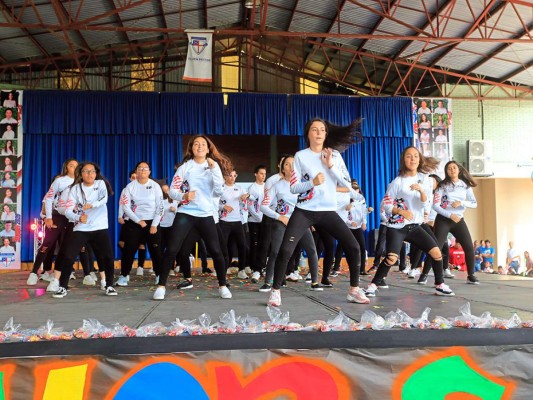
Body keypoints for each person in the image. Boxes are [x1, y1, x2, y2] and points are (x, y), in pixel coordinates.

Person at [268, 118, 370, 307]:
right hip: (305, 210)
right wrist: (312, 183)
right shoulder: (300, 156)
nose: (318, 132)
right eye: (314, 129)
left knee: (354, 247)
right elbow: (294, 188)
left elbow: (347, 185)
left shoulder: (335, 156)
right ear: (308, 134)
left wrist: (330, 165)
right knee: (285, 250)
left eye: (322, 130)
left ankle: (354, 289)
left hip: (327, 210)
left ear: (326, 134)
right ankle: (275, 291)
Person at [366, 146, 454, 297]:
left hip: (415, 226)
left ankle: (440, 284)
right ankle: (373, 285)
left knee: (436, 252)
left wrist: (421, 191)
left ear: (419, 160)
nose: (412, 159)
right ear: (403, 160)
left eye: (415, 156)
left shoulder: (425, 180)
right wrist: (401, 211)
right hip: (397, 226)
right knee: (392, 257)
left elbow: (426, 204)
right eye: (408, 156)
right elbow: (385, 204)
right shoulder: (397, 182)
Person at [155, 135, 233, 301]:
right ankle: (161, 286)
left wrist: (214, 170)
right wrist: (184, 196)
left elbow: (219, 191)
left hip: (206, 214)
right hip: (186, 213)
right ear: (191, 148)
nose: (199, 146)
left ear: (208, 148)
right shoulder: (185, 167)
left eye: (203, 144)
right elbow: (173, 191)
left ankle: (223, 285)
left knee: (216, 251)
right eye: (196, 144)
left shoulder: (214, 165)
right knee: (172, 249)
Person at [52, 162, 117, 298]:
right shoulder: (75, 189)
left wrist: (92, 205)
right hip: (81, 228)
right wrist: (77, 217)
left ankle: (109, 285)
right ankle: (62, 286)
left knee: (107, 256)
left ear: (96, 173)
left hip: (99, 227)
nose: (90, 174)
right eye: (86, 171)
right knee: (69, 256)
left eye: (92, 171)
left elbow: (104, 199)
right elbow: (68, 210)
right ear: (81, 174)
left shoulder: (100, 184)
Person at [260, 155, 323, 292]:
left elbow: (310, 203)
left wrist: (310, 220)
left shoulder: (303, 185)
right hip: (281, 222)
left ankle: (314, 282)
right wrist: (279, 217)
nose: (291, 167)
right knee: (276, 251)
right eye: (287, 164)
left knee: (312, 250)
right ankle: (268, 282)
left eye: (293, 164)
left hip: (300, 222)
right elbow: (263, 206)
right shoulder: (277, 185)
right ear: (283, 168)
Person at [26, 159, 78, 286]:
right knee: (47, 243)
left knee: (67, 246)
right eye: (71, 166)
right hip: (58, 216)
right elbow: (48, 199)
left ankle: (65, 272)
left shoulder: (81, 182)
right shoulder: (60, 181)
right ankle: (34, 272)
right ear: (66, 168)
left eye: (77, 166)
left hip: (72, 218)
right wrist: (48, 217)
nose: (74, 168)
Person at [116, 161, 164, 286]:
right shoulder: (130, 187)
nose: (142, 170)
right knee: (128, 250)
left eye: (145, 168)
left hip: (152, 222)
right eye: (140, 168)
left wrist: (154, 224)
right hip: (134, 222)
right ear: (136, 171)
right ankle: (124, 275)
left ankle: (159, 276)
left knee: (156, 251)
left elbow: (160, 206)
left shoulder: (155, 186)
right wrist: (138, 221)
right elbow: (126, 207)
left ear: (149, 172)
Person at [433, 160, 479, 284]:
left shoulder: (465, 185)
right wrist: (449, 215)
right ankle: (426, 274)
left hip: (458, 220)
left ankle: (471, 275)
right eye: (449, 168)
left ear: (459, 170)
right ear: (446, 172)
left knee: (469, 247)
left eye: (454, 168)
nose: (452, 170)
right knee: (435, 247)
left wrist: (462, 203)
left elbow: (474, 203)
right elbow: (435, 206)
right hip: (444, 219)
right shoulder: (442, 186)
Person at [218, 169, 249, 278]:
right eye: (230, 175)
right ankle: (223, 269)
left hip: (237, 221)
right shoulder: (220, 188)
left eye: (234, 176)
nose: (232, 178)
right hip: (224, 221)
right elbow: (213, 202)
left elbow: (249, 198)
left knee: (243, 245)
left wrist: (246, 196)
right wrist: (223, 206)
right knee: (223, 246)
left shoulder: (239, 188)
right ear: (225, 176)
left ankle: (241, 270)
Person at [247, 165, 266, 283]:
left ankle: (261, 266)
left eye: (264, 174)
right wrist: (259, 217)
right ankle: (254, 267)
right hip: (254, 221)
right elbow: (250, 206)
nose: (263, 176)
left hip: (265, 220)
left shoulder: (267, 187)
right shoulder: (252, 188)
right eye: (261, 173)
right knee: (255, 244)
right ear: (255, 174)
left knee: (264, 245)